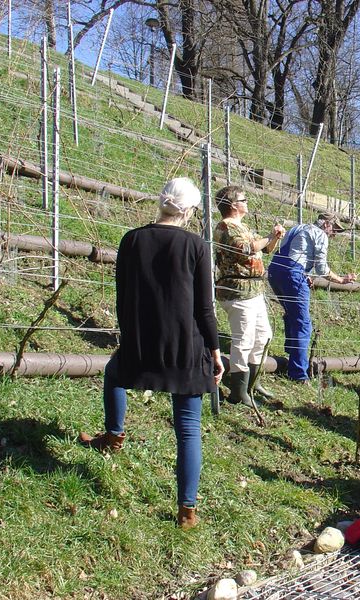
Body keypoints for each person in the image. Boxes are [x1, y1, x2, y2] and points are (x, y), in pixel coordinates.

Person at [79, 178, 224, 530]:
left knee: (114, 375)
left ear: (162, 202)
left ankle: (113, 436)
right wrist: (215, 351)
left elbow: (122, 296)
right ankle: (186, 510)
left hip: (140, 344)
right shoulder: (196, 246)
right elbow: (205, 308)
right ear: (188, 211)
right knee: (188, 429)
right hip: (186, 350)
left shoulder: (131, 239)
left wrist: (129, 337)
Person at [214, 185, 285, 406]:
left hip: (254, 291)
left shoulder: (241, 226)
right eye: (244, 200)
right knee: (243, 340)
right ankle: (238, 390)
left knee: (263, 336)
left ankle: (253, 383)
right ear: (234, 205)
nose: (247, 203)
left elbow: (265, 249)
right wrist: (269, 236)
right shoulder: (225, 227)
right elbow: (246, 249)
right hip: (237, 291)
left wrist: (274, 238)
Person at [267, 213, 357, 382]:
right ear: (326, 225)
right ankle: (298, 374)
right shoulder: (320, 234)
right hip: (293, 275)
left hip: (275, 271)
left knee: (292, 314)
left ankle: (292, 356)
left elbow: (292, 253)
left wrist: (303, 272)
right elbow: (322, 268)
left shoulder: (298, 227)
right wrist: (341, 280)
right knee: (303, 324)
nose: (335, 234)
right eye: (334, 229)